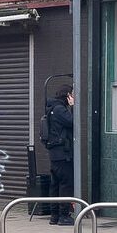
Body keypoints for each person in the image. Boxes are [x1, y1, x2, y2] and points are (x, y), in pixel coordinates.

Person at [45, 85, 75, 225]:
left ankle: (54, 215)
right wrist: (73, 107)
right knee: (65, 184)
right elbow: (73, 122)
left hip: (55, 153)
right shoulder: (59, 109)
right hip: (63, 154)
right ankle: (64, 215)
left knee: (55, 184)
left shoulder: (52, 108)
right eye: (73, 94)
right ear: (68, 95)